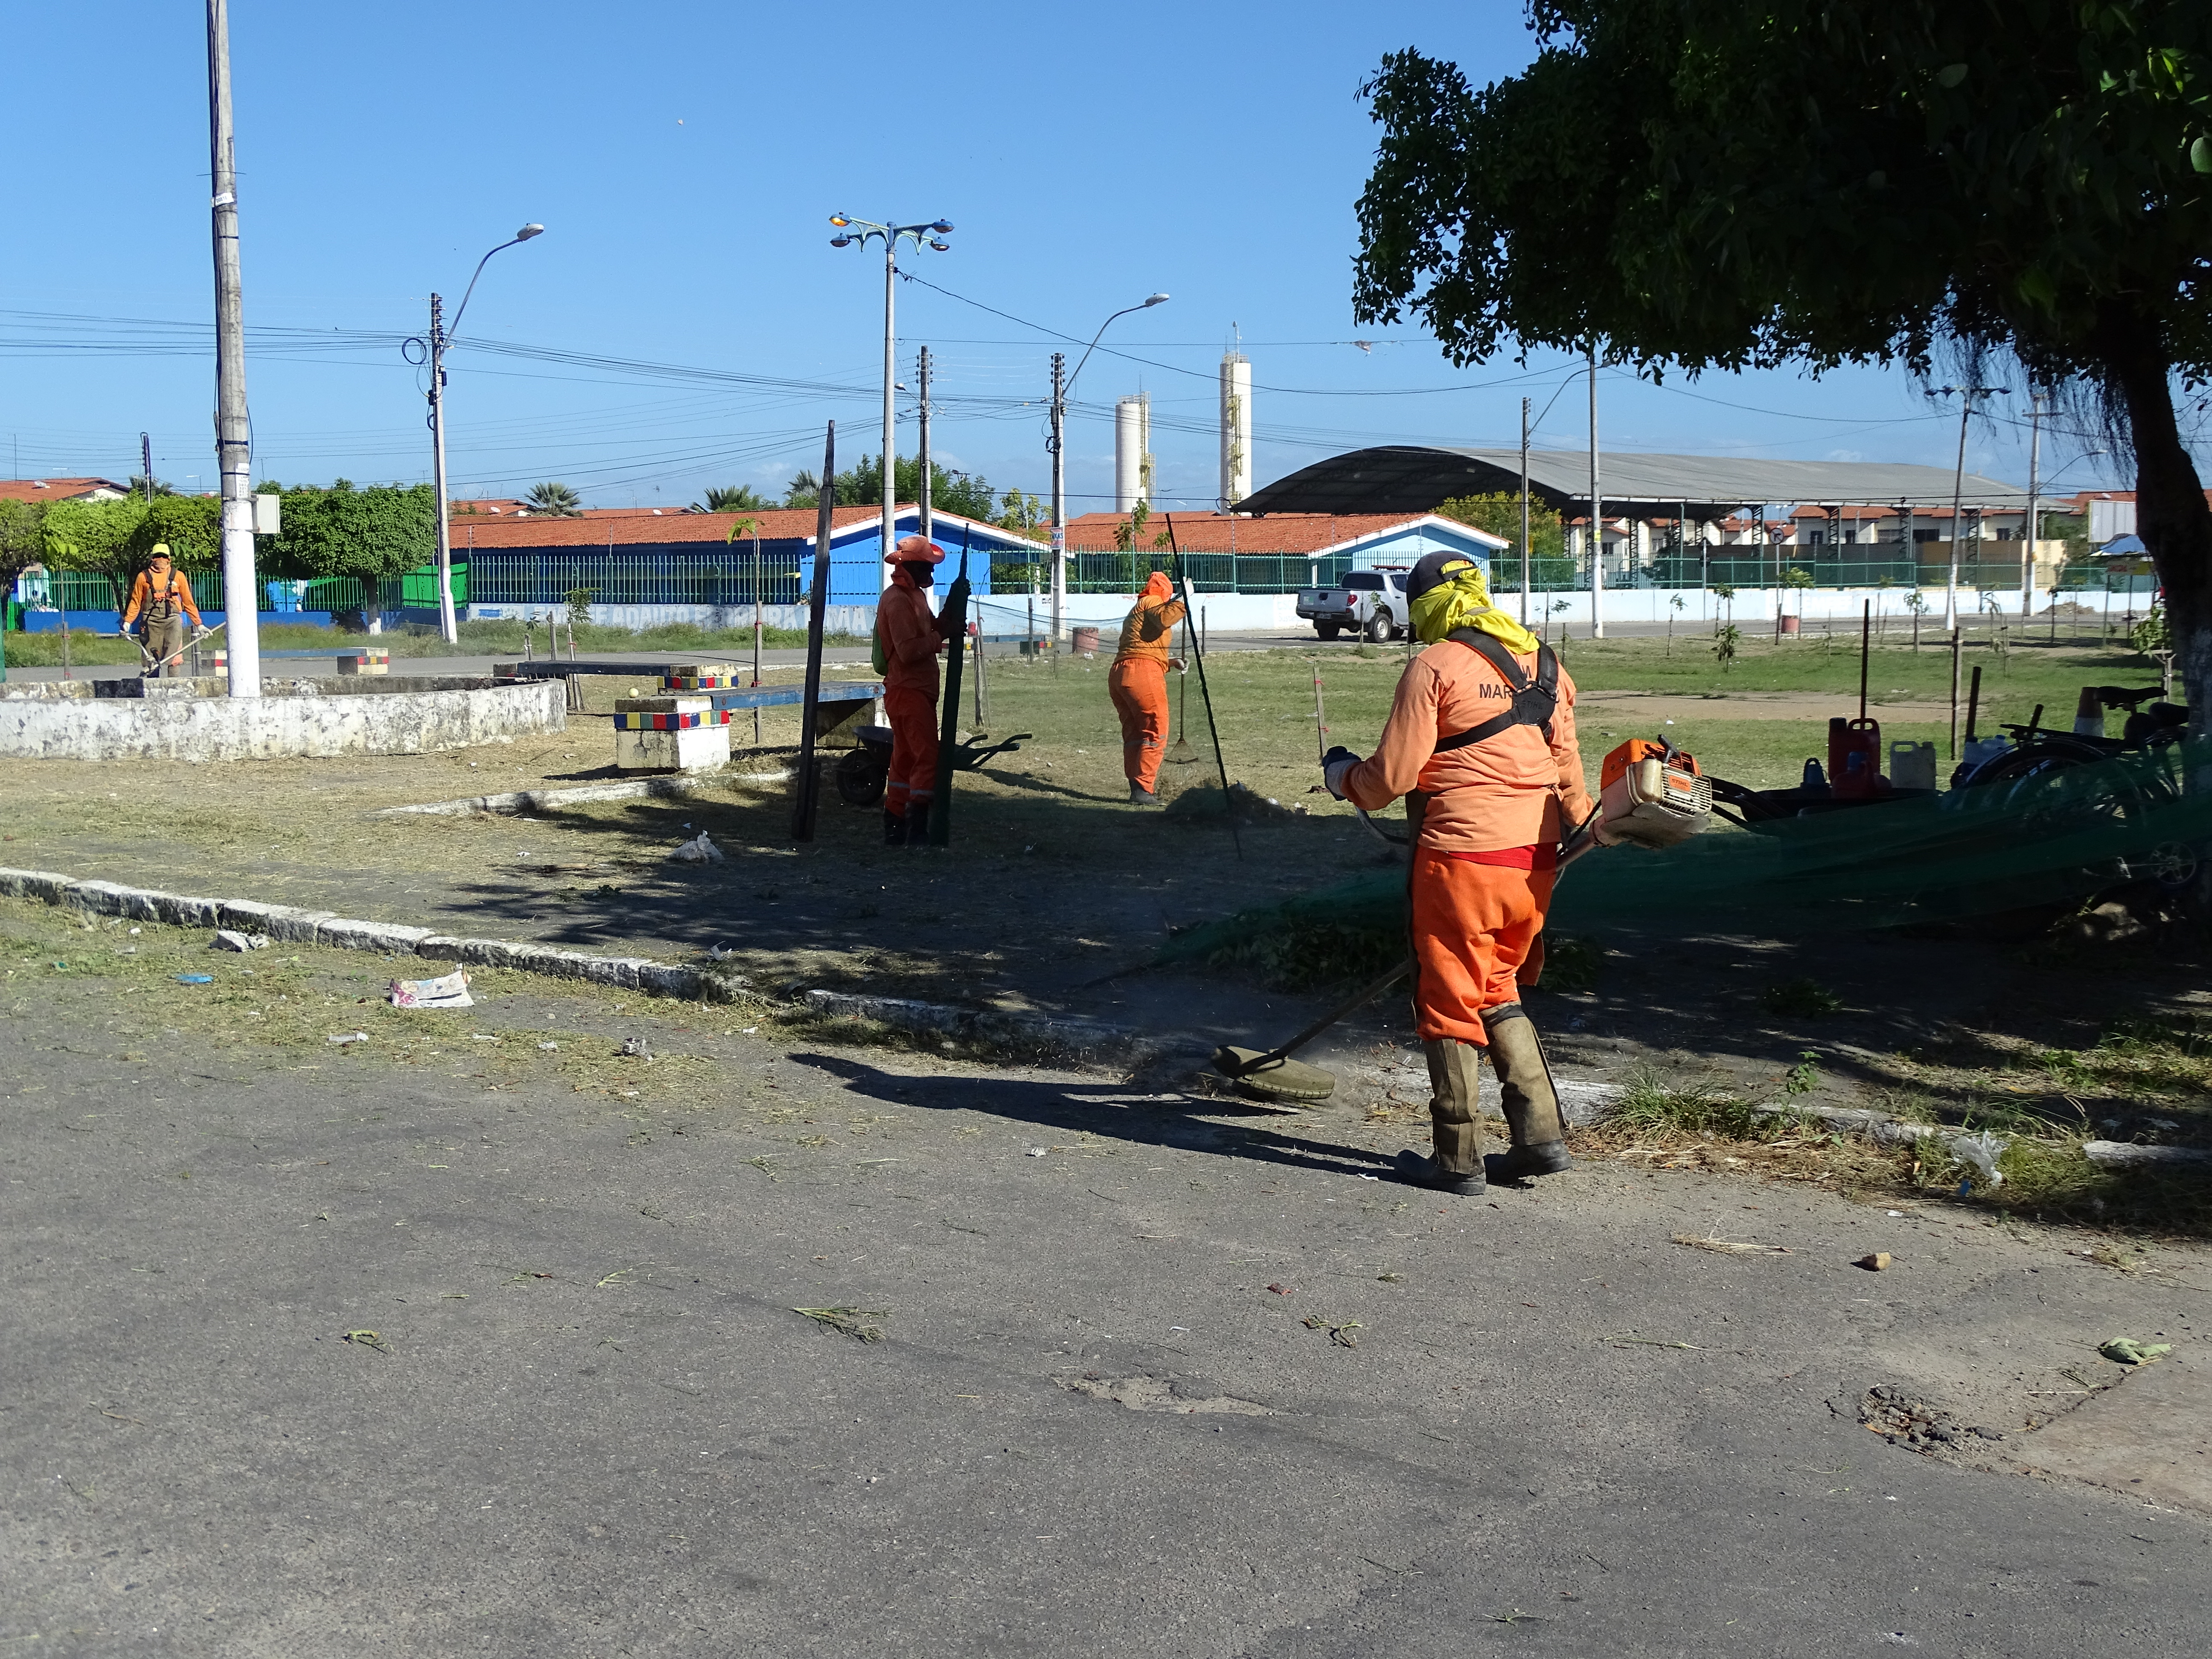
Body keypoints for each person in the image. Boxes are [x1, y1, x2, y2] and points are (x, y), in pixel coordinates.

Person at [1323, 551, 1595, 1196]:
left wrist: (1341, 776)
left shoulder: (1434, 666)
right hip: (1535, 864)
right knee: (1498, 988)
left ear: (1423, 606)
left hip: (1462, 860)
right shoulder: (1548, 667)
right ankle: (1540, 1139)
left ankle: (1456, 1158)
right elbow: (1573, 784)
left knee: (1448, 1001)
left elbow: (1389, 780)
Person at [874, 535, 949, 845]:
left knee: (904, 759)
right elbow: (908, 651)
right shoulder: (897, 600)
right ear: (911, 567)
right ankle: (917, 825)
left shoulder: (915, 596)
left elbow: (934, 628)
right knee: (925, 757)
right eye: (927, 569)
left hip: (915, 690)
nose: (931, 576)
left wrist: (948, 623)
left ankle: (895, 824)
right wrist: (941, 635)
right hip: (908, 691)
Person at [1108, 569, 1187, 804]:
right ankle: (1144, 789)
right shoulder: (1153, 601)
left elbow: (1140, 646)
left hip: (1120, 673)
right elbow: (1165, 619)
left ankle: (1137, 789)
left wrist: (1170, 662)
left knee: (1134, 734)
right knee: (1155, 731)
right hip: (1142, 673)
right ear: (1165, 592)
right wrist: (1183, 603)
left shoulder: (1137, 610)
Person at [120, 544, 204, 678]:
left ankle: (174, 690)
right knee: (152, 661)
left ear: (169, 559)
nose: (161, 560)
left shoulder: (178, 576)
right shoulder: (143, 577)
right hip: (150, 622)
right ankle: (153, 691)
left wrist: (199, 624)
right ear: (152, 559)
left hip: (172, 622)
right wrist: (128, 622)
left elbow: (188, 602)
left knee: (174, 660)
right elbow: (136, 601)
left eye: (163, 557)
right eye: (158, 557)